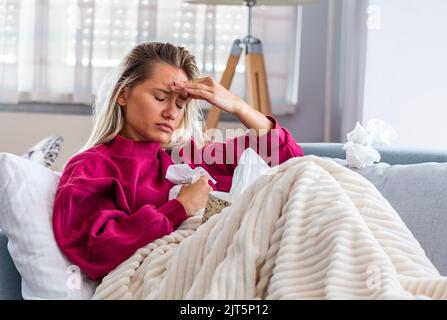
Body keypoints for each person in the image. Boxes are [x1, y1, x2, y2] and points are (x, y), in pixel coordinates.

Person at [52, 42, 304, 281]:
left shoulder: (186, 156)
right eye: (160, 98)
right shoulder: (92, 167)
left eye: (181, 104)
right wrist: (180, 207)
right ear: (123, 94)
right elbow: (93, 247)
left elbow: (290, 162)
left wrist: (238, 106)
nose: (172, 113)